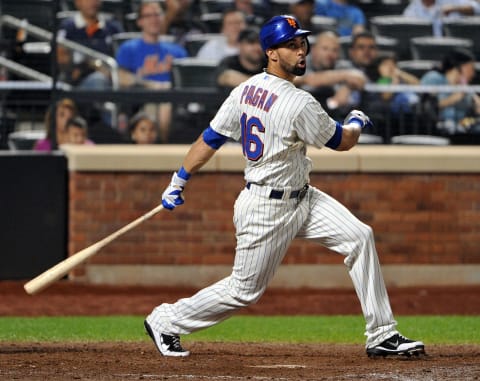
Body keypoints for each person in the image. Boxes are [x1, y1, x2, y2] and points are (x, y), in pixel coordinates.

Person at [144, 15, 425, 359]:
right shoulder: (298, 102)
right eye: (291, 45)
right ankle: (166, 320)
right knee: (243, 291)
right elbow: (344, 142)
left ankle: (382, 334)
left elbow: (211, 139)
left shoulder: (246, 89)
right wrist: (355, 120)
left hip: (302, 196)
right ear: (272, 53)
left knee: (359, 236)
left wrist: (179, 180)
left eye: (302, 43)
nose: (301, 51)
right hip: (267, 207)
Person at [116, 0, 188, 142]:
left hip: (175, 101)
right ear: (140, 21)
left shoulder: (177, 50)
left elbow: (187, 81)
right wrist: (152, 85)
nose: (154, 19)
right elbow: (121, 77)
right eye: (148, 16)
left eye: (157, 15)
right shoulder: (128, 48)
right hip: (142, 100)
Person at [296, 30, 366, 118]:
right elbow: (311, 80)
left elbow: (360, 78)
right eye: (325, 49)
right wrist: (344, 76)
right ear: (313, 50)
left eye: (334, 50)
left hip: (333, 117)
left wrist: (348, 87)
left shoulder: (340, 66)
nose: (330, 54)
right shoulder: (300, 63)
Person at [57, 0, 124, 89]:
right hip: (76, 81)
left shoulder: (112, 27)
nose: (92, 2)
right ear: (77, 2)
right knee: (98, 80)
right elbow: (61, 59)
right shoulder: (67, 27)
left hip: (109, 76)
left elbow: (122, 59)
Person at [420, 48, 480, 134]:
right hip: (436, 126)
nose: (473, 73)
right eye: (470, 68)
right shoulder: (433, 78)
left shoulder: (464, 86)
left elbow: (476, 108)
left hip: (463, 127)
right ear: (460, 67)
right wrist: (455, 97)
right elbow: (426, 106)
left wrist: (476, 103)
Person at [403, 0, 480, 37]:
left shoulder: (450, 1)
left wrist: (455, 9)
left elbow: (477, 8)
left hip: (453, 51)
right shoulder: (411, 10)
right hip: (429, 53)